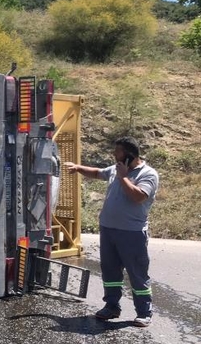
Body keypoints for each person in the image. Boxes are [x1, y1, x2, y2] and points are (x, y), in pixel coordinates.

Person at [64, 137, 159, 327]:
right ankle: (112, 306)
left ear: (129, 155)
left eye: (118, 152)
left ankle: (144, 312)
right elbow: (98, 173)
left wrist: (123, 177)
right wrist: (78, 167)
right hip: (108, 230)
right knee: (110, 271)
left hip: (131, 233)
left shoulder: (148, 174)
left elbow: (138, 197)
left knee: (137, 273)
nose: (114, 155)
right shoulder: (116, 169)